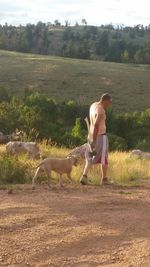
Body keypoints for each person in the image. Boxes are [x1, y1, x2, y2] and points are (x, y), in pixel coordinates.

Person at [80, 93, 112, 185]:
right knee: (104, 157)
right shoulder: (101, 111)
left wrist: (92, 139)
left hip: (91, 135)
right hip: (100, 136)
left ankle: (84, 176)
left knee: (90, 156)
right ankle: (104, 179)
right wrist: (94, 140)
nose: (109, 105)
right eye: (109, 102)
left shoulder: (93, 105)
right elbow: (97, 125)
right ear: (105, 100)